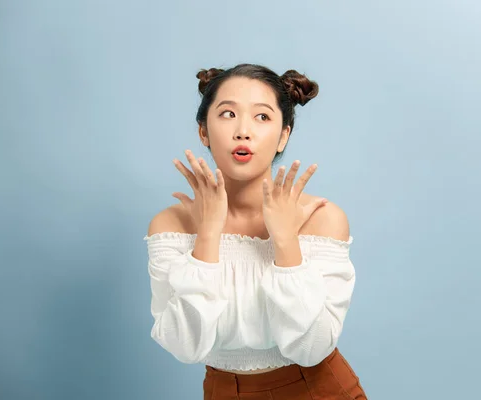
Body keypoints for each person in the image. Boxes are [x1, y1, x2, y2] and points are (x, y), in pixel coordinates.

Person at [145, 63, 367, 399]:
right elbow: (185, 346)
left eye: (262, 117)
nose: (243, 131)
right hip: (223, 391)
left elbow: (312, 348)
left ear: (283, 136)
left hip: (317, 389)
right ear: (203, 132)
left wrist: (285, 242)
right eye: (228, 114)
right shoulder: (171, 227)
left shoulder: (322, 219)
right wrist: (206, 236)